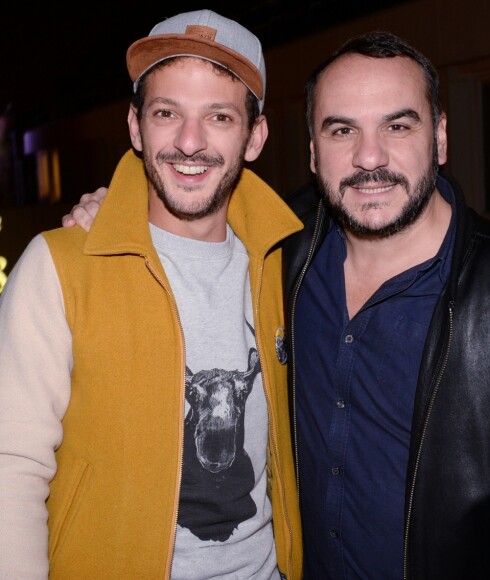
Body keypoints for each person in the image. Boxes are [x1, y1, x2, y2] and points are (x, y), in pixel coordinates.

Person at [63, 30, 490, 580]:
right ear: (312, 150)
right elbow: (189, 203)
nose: (369, 157)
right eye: (342, 130)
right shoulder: (275, 256)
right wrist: (117, 208)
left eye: (398, 125)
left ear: (441, 138)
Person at [0, 10, 303, 579]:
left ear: (255, 136)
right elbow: (10, 468)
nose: (190, 143)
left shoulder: (288, 264)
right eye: (168, 113)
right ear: (136, 127)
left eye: (218, 116)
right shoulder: (59, 266)